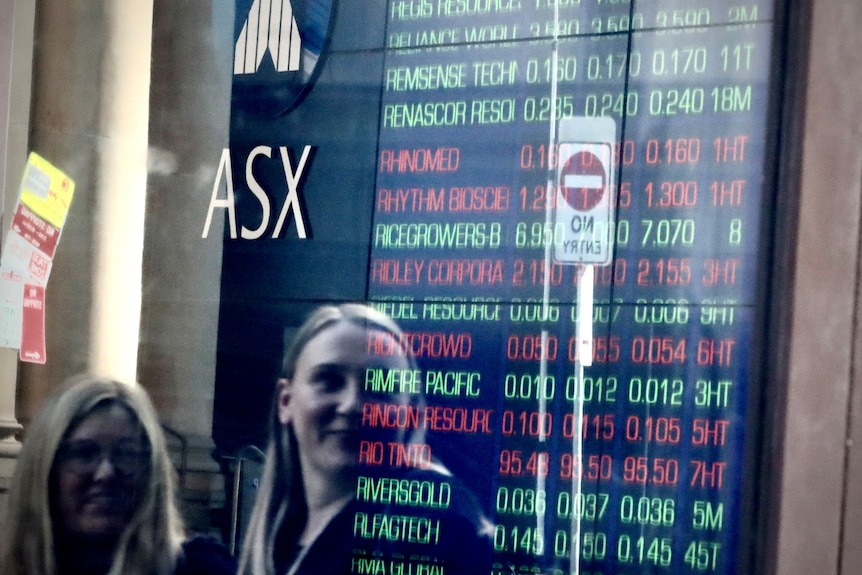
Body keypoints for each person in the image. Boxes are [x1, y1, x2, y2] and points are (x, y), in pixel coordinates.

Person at [237, 303, 492, 575]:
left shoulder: (432, 511)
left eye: (379, 386)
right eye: (329, 380)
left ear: (411, 413)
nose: (352, 405)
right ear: (285, 401)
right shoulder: (279, 541)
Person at [0, 374, 237, 575]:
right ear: (46, 470)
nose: (106, 473)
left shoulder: (201, 568)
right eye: (84, 454)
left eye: (127, 455)